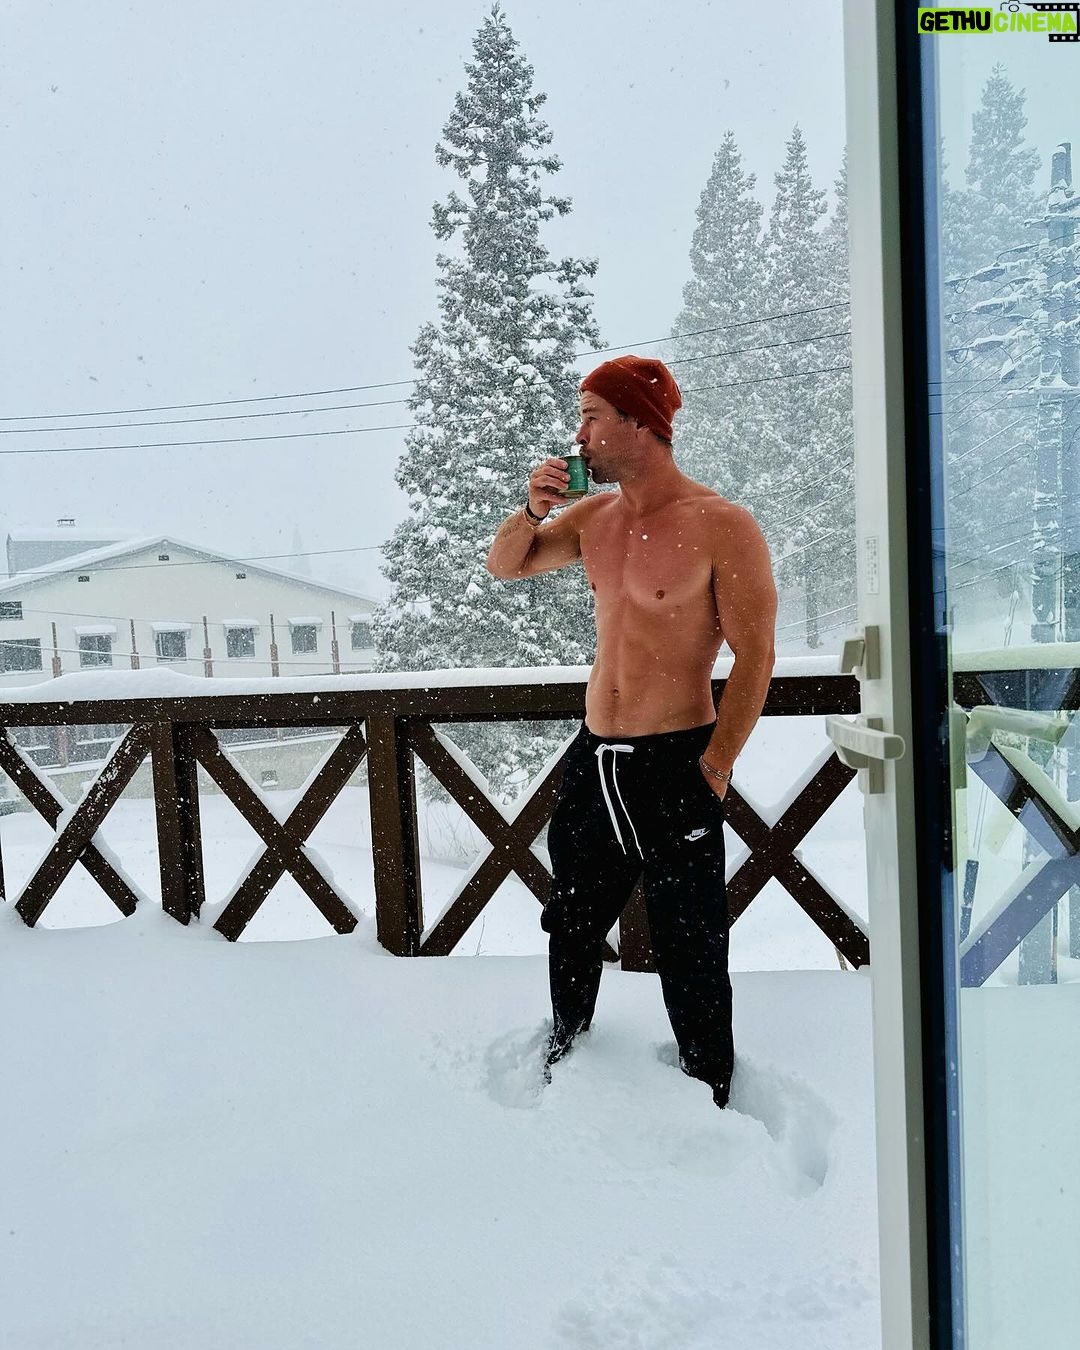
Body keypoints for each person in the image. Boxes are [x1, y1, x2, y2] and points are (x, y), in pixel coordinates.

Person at [485, 355, 776, 1108]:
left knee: (690, 937)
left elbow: (755, 656)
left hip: (677, 757)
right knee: (572, 917)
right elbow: (506, 566)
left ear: (638, 423)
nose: (578, 436)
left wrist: (716, 766)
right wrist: (533, 511)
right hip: (596, 755)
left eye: (591, 417)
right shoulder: (595, 519)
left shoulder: (721, 524)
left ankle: (710, 1087)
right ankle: (568, 1045)